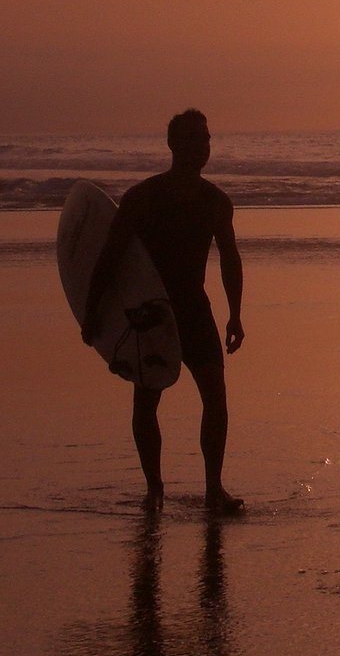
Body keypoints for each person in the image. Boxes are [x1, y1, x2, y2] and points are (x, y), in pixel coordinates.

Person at [83, 109, 245, 514]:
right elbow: (110, 258)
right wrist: (92, 314)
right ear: (172, 144)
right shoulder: (142, 198)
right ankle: (154, 489)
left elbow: (230, 259)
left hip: (194, 309)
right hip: (151, 313)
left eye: (205, 138)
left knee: (216, 398)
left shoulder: (215, 202)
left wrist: (235, 314)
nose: (199, 146)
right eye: (191, 138)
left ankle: (213, 489)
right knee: (146, 401)